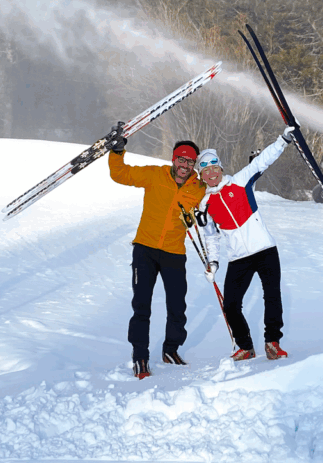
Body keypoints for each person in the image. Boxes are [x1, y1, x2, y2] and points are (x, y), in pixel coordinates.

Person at [108, 127, 205, 379]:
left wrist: (193, 218)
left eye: (190, 161)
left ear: (194, 164)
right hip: (145, 250)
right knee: (142, 305)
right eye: (181, 159)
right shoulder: (155, 175)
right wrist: (117, 152)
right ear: (173, 159)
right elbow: (121, 175)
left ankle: (170, 350)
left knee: (177, 306)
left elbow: (206, 208)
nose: (185, 165)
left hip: (174, 253)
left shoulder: (198, 187)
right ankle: (140, 356)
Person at [197, 127, 295, 361]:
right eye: (205, 170)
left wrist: (283, 140)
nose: (211, 173)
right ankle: (245, 346)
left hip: (265, 250)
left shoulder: (240, 181)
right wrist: (213, 263)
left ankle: (272, 343)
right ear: (200, 176)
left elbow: (262, 161)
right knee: (231, 304)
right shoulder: (205, 205)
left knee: (272, 296)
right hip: (238, 257)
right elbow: (210, 237)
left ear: (221, 168)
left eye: (214, 168)